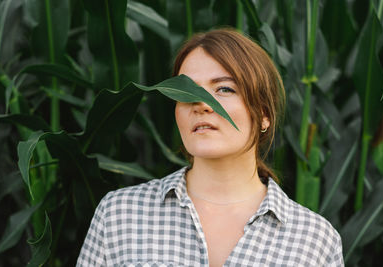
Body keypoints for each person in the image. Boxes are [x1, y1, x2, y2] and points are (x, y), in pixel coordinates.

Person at [77, 28, 343, 266]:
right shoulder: (120, 214)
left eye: (224, 89)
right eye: (186, 92)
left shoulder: (314, 240)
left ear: (264, 114)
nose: (202, 104)